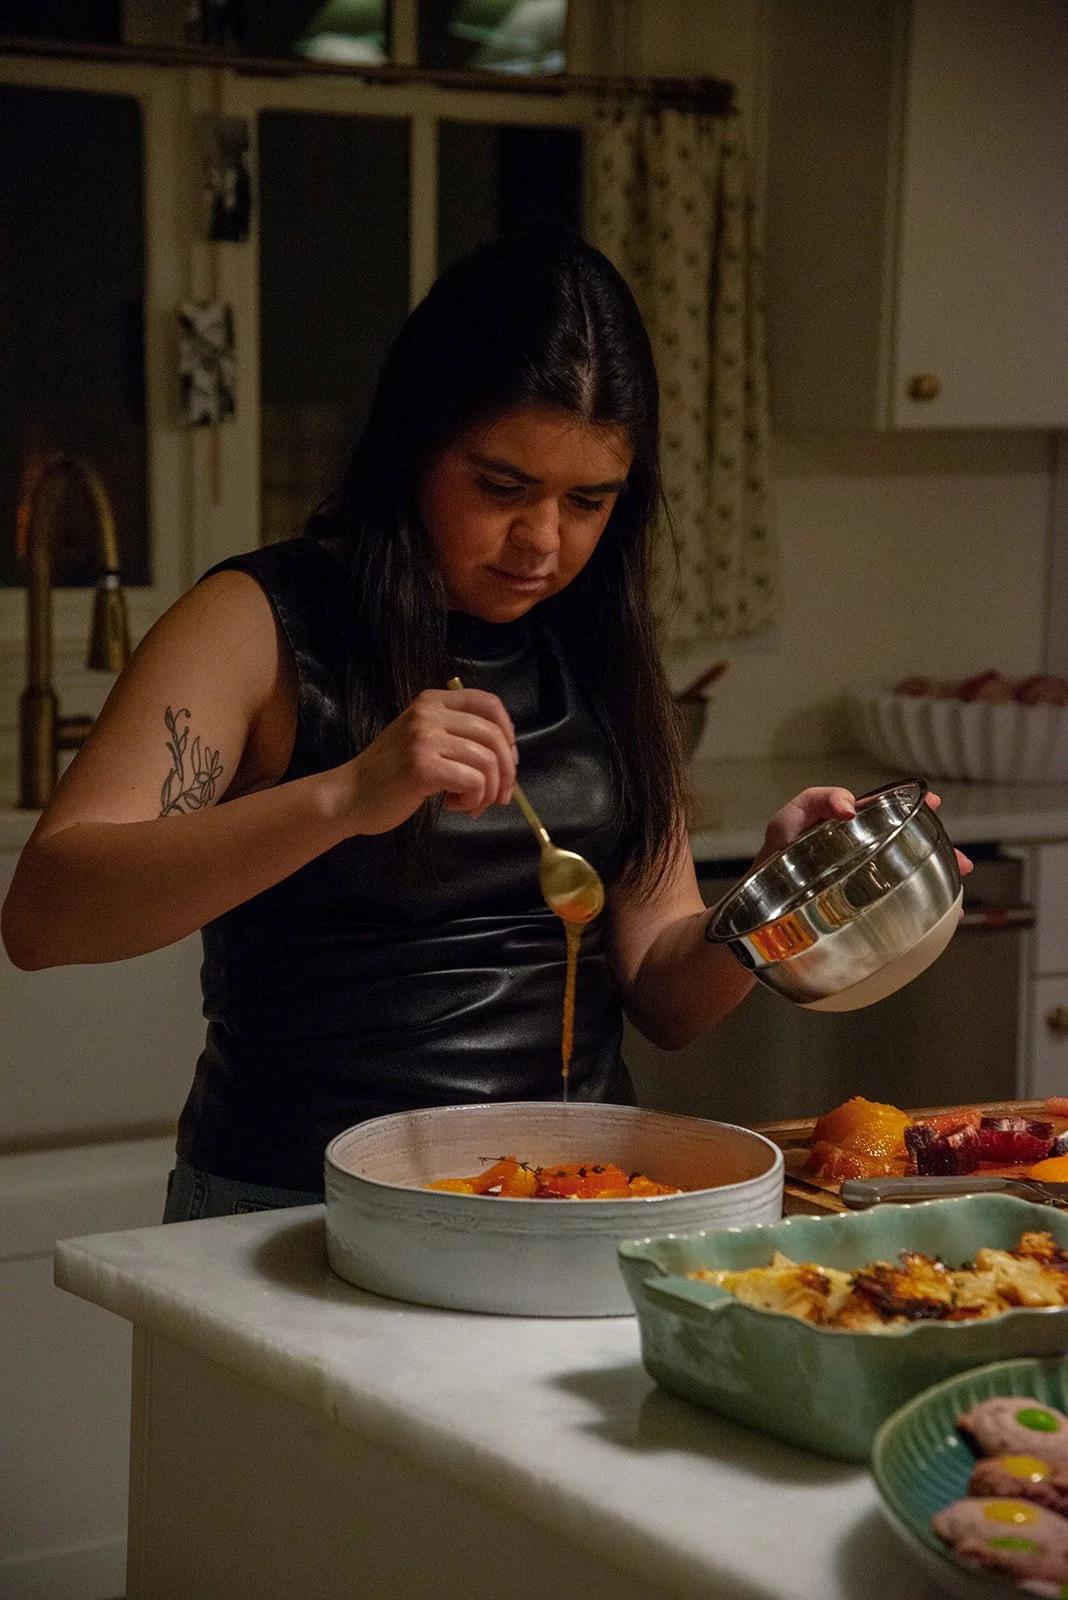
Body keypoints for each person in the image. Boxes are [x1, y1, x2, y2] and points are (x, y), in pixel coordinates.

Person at [0, 228, 966, 1221]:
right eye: (502, 487)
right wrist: (345, 796)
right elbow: (43, 916)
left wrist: (777, 902)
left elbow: (665, 996)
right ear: (414, 445)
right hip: (293, 1210)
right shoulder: (257, 623)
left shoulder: (600, 645)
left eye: (588, 501)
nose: (543, 540)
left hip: (569, 1203)